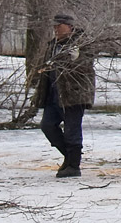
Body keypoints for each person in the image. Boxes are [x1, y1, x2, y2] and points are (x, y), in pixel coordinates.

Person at [33, 13, 96, 178]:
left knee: (72, 131)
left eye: (58, 26)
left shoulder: (82, 43)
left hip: (73, 95)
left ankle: (73, 166)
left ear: (69, 26)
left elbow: (85, 66)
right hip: (54, 94)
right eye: (54, 26)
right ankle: (69, 157)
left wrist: (72, 59)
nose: (55, 29)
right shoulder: (53, 45)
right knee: (47, 125)